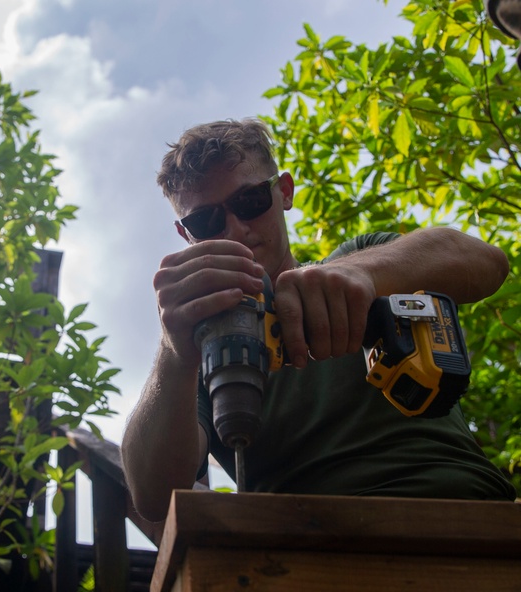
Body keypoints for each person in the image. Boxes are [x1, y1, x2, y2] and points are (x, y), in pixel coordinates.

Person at [121, 118, 516, 523]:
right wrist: (173, 350)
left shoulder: (367, 261)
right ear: (186, 235)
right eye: (206, 222)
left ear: (284, 191)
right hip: (306, 556)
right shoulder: (202, 350)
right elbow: (152, 496)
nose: (236, 230)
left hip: (472, 519)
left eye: (250, 201)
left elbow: (488, 264)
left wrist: (362, 273)